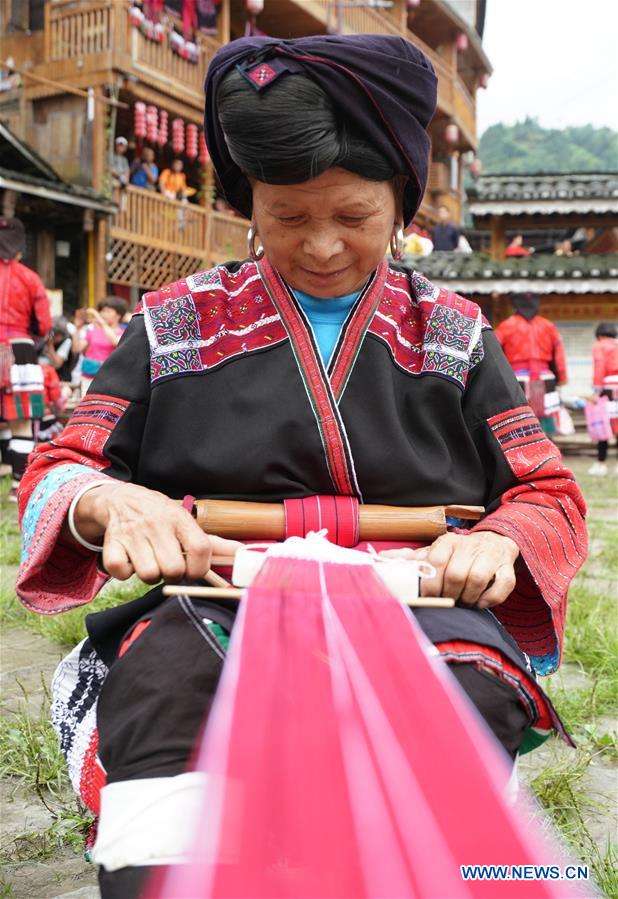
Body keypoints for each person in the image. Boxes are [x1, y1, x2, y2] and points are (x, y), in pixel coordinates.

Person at [17, 35, 586, 896]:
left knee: (462, 706)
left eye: (353, 217)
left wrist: (501, 539)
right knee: (164, 709)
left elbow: (547, 491)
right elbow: (61, 465)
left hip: (420, 596)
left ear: (403, 201)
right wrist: (109, 502)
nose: (321, 246)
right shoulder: (175, 322)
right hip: (217, 592)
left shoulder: (457, 335)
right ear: (250, 203)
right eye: (288, 218)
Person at [0, 217, 51, 497]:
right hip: (20, 348)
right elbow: (43, 325)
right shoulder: (30, 278)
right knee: (20, 416)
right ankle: (18, 484)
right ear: (19, 247)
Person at [494, 293, 568, 434]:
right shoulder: (548, 326)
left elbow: (495, 354)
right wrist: (561, 378)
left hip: (517, 377)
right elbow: (559, 355)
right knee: (547, 413)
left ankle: (526, 444)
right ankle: (548, 443)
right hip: (546, 377)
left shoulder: (506, 326)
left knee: (520, 413)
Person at [78, 297, 127, 388]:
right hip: (88, 377)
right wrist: (77, 329)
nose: (103, 314)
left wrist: (100, 321)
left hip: (110, 378)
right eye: (102, 311)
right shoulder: (92, 331)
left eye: (107, 311)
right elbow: (77, 349)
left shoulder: (124, 333)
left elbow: (115, 342)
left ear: (118, 315)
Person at [589, 321, 618, 476]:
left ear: (599, 335)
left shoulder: (599, 346)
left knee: (603, 426)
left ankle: (601, 463)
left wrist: (596, 391)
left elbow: (599, 367)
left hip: (607, 388)